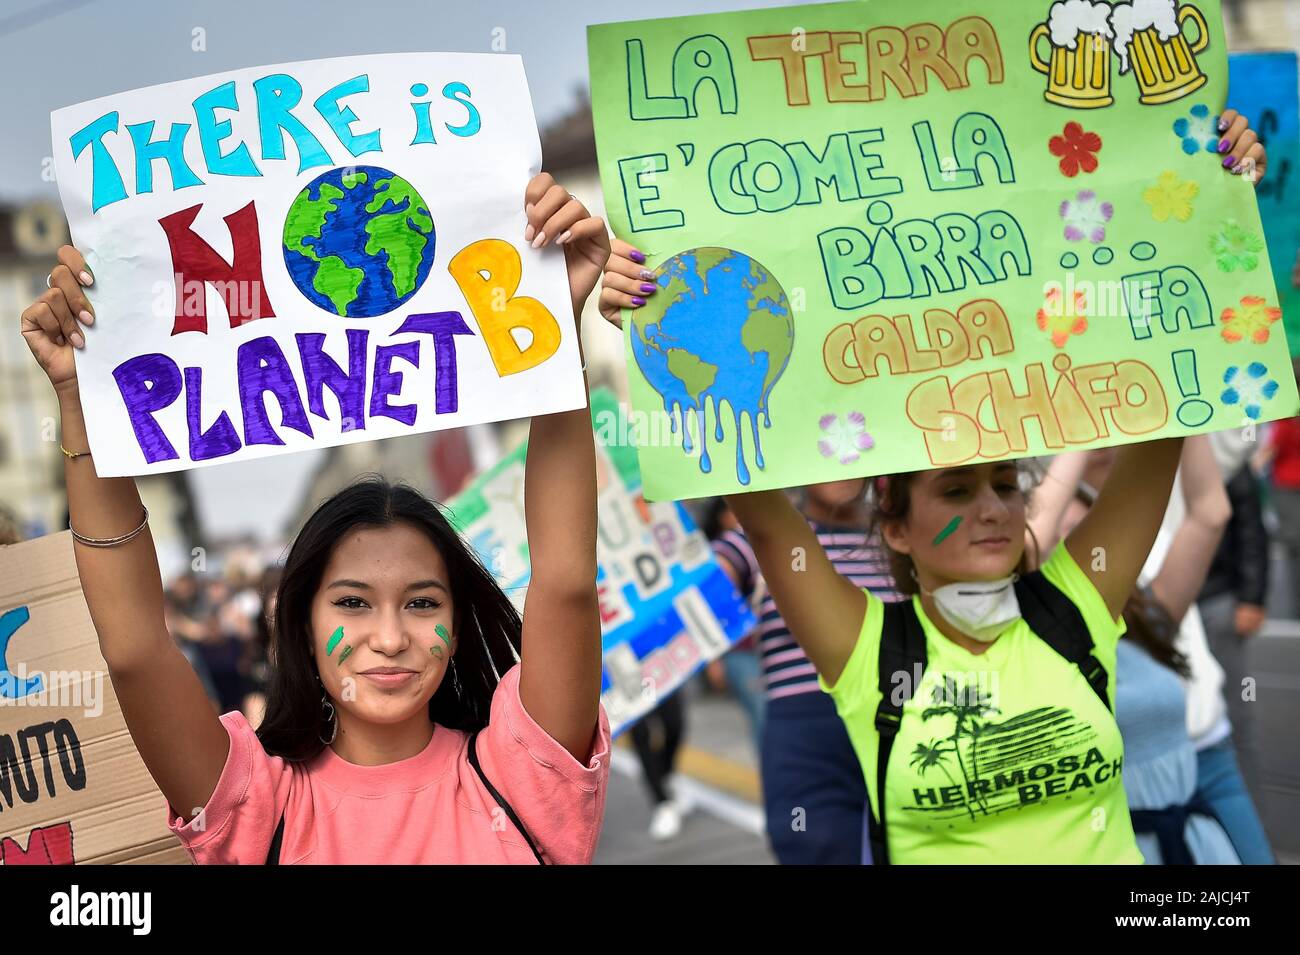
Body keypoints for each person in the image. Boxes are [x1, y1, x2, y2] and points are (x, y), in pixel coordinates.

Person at [598, 110, 1266, 864]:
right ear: (896, 527)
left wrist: (1209, 198)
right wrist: (653, 314)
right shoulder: (867, 651)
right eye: (955, 491)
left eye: (1005, 485)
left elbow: (1165, 415)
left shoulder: (1078, 608)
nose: (992, 508)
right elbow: (762, 512)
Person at [21, 172, 613, 864]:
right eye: (353, 602)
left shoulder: (519, 776)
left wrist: (552, 336)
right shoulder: (255, 807)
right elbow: (132, 649)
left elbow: (567, 581)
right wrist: (80, 400)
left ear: (456, 629)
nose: (389, 637)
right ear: (300, 623)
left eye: (423, 602)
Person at [1047, 438, 1242, 863]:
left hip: (1199, 788)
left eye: (1089, 540)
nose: (1080, 557)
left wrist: (1183, 411)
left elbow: (1210, 513)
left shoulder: (1146, 618)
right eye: (1062, 544)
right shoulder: (1029, 641)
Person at [628, 692, 689, 840]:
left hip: (654, 673)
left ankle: (666, 774)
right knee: (641, 733)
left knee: (674, 723)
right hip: (624, 680)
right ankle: (661, 802)